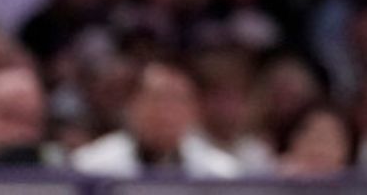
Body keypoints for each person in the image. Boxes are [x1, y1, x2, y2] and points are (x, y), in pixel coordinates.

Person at [67, 61, 244, 178]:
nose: (167, 112)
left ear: (194, 111)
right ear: (132, 105)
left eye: (178, 100)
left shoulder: (221, 173)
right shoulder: (90, 166)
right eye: (157, 99)